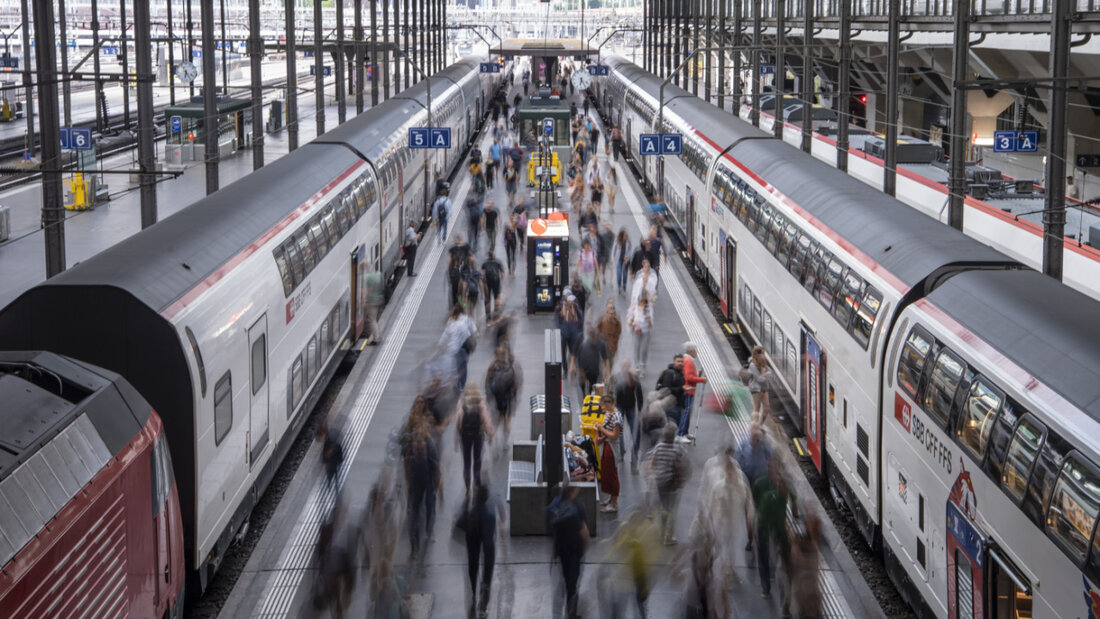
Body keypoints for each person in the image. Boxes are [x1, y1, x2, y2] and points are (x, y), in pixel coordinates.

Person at [547, 483, 589, 619]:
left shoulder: (554, 505)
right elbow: (583, 531)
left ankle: (560, 611)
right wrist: (586, 546)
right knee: (573, 583)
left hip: (561, 549)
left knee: (565, 578)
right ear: (572, 492)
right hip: (575, 550)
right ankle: (571, 612)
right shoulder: (576, 506)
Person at [402, 408, 439, 563]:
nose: (418, 443)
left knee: (430, 506)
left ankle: (430, 530)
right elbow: (405, 462)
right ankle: (414, 547)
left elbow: (436, 467)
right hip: (415, 484)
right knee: (413, 515)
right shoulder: (409, 446)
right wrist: (408, 480)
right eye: (415, 437)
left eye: (420, 439)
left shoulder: (430, 446)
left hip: (428, 481)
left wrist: (436, 485)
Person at [647, 423, 692, 545]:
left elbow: (652, 463)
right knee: (672, 509)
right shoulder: (678, 449)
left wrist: (655, 474)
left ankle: (662, 532)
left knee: (664, 506)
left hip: (660, 482)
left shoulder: (658, 447)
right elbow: (685, 464)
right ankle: (669, 536)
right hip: (673, 484)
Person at [462, 484, 498, 618]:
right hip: (488, 550)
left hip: (473, 545)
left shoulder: (472, 513)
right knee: (487, 577)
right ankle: (483, 606)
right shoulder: (490, 516)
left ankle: (473, 592)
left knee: (473, 565)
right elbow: (489, 539)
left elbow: (466, 531)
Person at [456, 385, 494, 495]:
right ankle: (476, 484)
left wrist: (458, 435)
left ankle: (467, 487)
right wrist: (490, 435)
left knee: (466, 461)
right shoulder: (480, 404)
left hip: (465, 436)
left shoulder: (462, 403)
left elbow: (458, 422)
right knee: (477, 460)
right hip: (477, 435)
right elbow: (487, 421)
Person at [614, 359, 645, 473]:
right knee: (620, 432)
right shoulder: (617, 377)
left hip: (631, 408)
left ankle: (633, 459)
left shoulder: (634, 378)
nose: (625, 368)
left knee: (635, 433)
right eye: (623, 366)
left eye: (627, 366)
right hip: (620, 407)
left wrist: (639, 408)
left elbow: (639, 393)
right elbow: (612, 391)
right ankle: (622, 451)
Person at [485, 343, 519, 440]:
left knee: (500, 415)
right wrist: (515, 396)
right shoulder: (509, 366)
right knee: (506, 416)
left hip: (497, 396)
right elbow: (514, 383)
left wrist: (488, 394)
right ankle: (504, 432)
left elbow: (487, 381)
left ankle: (494, 433)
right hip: (507, 396)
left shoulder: (492, 366)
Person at [596, 394, 623, 512]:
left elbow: (615, 436)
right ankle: (611, 499)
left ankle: (614, 503)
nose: (603, 407)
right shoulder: (609, 413)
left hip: (612, 447)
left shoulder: (616, 417)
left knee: (612, 473)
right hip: (607, 445)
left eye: (604, 405)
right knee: (607, 471)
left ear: (608, 403)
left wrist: (601, 429)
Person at [442, 303, 478, 389]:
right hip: (465, 347)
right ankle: (462, 383)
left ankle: (457, 382)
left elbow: (446, 333)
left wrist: (441, 343)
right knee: (463, 365)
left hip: (455, 347)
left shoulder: (452, 321)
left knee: (456, 364)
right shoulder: (467, 319)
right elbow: (474, 330)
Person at [678, 342, 707, 443]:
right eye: (695, 350)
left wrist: (698, 374)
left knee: (687, 412)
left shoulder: (686, 360)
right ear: (691, 351)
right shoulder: (689, 361)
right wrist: (701, 379)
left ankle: (685, 432)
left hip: (688, 390)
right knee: (686, 412)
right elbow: (689, 378)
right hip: (688, 390)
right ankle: (681, 434)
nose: (697, 352)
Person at [576, 326, 610, 396]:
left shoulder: (601, 343)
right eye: (592, 336)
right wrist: (581, 371)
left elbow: (606, 358)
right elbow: (579, 359)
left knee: (593, 386)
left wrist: (606, 370)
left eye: (594, 336)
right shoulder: (584, 345)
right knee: (582, 384)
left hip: (594, 370)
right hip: (584, 369)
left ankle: (591, 397)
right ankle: (584, 396)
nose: (593, 338)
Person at [657, 354, 686, 428]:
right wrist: (681, 389)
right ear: (674, 362)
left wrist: (683, 406)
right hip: (670, 405)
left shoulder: (681, 373)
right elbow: (666, 389)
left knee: (675, 427)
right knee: (670, 427)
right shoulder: (669, 373)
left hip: (677, 405)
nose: (680, 363)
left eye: (682, 361)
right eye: (678, 361)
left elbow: (681, 393)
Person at [627, 294, 653, 375]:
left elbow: (651, 325)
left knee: (644, 349)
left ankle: (643, 365)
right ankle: (637, 366)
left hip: (645, 332)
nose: (643, 304)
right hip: (636, 331)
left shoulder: (649, 310)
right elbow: (630, 320)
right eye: (641, 302)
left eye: (644, 302)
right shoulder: (634, 309)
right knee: (636, 348)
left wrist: (648, 319)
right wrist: (632, 323)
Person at [748, 345, 773, 420]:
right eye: (763, 354)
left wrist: (764, 375)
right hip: (756, 389)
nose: (764, 356)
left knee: (766, 408)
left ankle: (759, 425)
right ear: (757, 355)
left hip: (764, 388)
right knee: (757, 409)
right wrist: (766, 375)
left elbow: (770, 372)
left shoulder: (763, 362)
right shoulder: (752, 365)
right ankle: (753, 426)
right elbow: (759, 379)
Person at [448, 236, 473, 308]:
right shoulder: (461, 249)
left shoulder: (455, 250)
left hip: (458, 278)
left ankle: (459, 304)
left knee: (458, 292)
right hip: (460, 277)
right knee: (462, 292)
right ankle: (461, 304)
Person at [481, 251, 504, 318]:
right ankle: (495, 313)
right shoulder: (497, 262)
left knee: (487, 298)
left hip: (488, 282)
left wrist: (483, 282)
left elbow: (483, 274)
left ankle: (488, 314)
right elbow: (502, 271)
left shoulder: (485, 263)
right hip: (496, 281)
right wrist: (502, 278)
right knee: (496, 297)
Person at [364, 268, 383, 345]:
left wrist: (364, 301)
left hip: (372, 301)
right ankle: (377, 335)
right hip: (379, 300)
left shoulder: (369, 278)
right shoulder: (379, 275)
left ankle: (376, 337)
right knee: (375, 319)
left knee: (372, 320)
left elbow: (368, 291)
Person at [613, 228, 631, 294]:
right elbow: (614, 249)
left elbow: (629, 252)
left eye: (626, 235)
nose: (625, 237)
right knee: (619, 273)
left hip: (625, 261)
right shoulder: (617, 241)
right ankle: (619, 286)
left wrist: (627, 258)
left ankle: (624, 285)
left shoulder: (628, 242)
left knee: (625, 274)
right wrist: (613, 258)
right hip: (618, 260)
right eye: (624, 235)